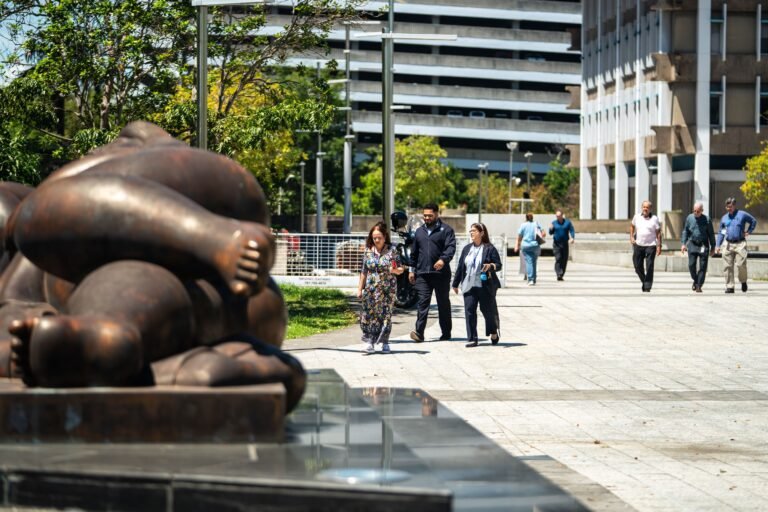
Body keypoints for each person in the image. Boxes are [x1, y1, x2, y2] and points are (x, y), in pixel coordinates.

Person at [0, 122, 306, 411]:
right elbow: (22, 330)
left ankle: (115, 343)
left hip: (207, 232)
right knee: (119, 281)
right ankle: (138, 356)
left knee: (38, 217)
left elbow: (29, 215)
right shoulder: (25, 284)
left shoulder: (38, 214)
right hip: (197, 310)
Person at [408, 203, 456, 342]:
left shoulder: (446, 230)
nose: (427, 218)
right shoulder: (419, 232)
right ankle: (419, 333)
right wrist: (412, 270)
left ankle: (446, 333)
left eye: (430, 215)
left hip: (441, 274)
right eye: (425, 216)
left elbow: (450, 247)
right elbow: (414, 253)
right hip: (423, 274)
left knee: (443, 303)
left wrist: (443, 260)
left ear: (437, 214)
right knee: (423, 303)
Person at [451, 223, 502, 348]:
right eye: (470, 231)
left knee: (487, 312)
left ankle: (493, 331)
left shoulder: (489, 248)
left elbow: (499, 265)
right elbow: (460, 267)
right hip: (469, 285)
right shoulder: (467, 248)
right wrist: (455, 283)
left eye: (474, 231)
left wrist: (490, 266)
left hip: (484, 286)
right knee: (469, 311)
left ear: (481, 233)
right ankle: (472, 338)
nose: (471, 233)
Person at [356, 222, 403, 354]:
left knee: (385, 314)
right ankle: (369, 342)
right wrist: (360, 289)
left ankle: (385, 342)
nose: (377, 240)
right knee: (369, 314)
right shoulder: (367, 251)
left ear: (385, 236)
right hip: (371, 289)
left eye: (379, 237)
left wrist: (394, 270)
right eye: (374, 237)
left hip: (388, 289)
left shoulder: (392, 250)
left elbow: (400, 269)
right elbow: (363, 271)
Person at [715, 197, 757, 293]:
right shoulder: (724, 218)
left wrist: (749, 231)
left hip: (740, 243)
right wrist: (718, 245)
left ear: (734, 205)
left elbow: (753, 221)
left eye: (730, 206)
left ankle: (743, 281)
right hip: (728, 244)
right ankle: (730, 286)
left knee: (741, 264)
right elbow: (721, 232)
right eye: (727, 207)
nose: (728, 208)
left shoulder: (742, 214)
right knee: (727, 266)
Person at [680, 201, 716, 293]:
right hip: (692, 244)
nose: (696, 213)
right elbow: (685, 231)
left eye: (698, 211)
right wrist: (683, 244)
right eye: (694, 211)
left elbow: (711, 234)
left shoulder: (707, 220)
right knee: (691, 265)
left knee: (703, 266)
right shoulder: (689, 218)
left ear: (702, 211)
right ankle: (696, 280)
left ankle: (699, 285)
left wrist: (713, 247)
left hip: (703, 244)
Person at [630, 200, 662, 292]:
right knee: (637, 266)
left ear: (650, 209)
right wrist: (631, 237)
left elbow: (658, 233)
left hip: (651, 246)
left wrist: (659, 246)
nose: (645, 209)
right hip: (638, 245)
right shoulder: (636, 217)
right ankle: (645, 281)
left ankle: (647, 286)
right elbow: (632, 226)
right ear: (642, 207)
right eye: (644, 207)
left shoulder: (654, 219)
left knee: (649, 266)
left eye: (647, 207)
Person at [515, 213, 545, 285]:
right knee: (534, 262)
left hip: (526, 245)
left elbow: (519, 236)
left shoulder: (523, 225)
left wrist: (517, 245)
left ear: (526, 218)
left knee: (529, 262)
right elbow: (544, 233)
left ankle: (530, 279)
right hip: (535, 245)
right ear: (532, 217)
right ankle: (534, 279)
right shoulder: (536, 224)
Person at [548, 209, 575, 281]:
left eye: (559, 216)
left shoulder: (567, 222)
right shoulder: (554, 223)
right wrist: (550, 228)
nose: (558, 217)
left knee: (564, 260)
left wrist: (572, 237)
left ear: (562, 215)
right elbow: (550, 233)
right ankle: (558, 273)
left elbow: (572, 230)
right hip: (556, 244)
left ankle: (561, 274)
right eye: (556, 216)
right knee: (558, 258)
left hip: (565, 244)